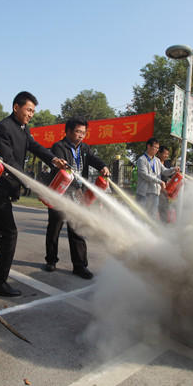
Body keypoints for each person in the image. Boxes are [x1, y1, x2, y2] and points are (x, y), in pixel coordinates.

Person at [0, 92, 67, 297]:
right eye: (28, 110)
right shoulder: (3, 127)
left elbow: (34, 147)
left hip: (8, 188)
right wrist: (29, 180)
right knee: (10, 232)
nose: (31, 115)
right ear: (16, 107)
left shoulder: (24, 129)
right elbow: (8, 160)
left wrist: (53, 160)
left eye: (33, 111)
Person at [44, 117, 110, 279]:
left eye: (84, 132)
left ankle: (80, 265)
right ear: (68, 131)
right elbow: (63, 169)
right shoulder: (59, 147)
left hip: (77, 194)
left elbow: (92, 159)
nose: (81, 135)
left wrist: (102, 166)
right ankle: (51, 260)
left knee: (77, 229)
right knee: (55, 228)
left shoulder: (85, 148)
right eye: (78, 132)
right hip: (60, 193)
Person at [136, 138, 177, 219]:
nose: (157, 150)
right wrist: (160, 182)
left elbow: (165, 171)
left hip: (154, 192)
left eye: (158, 148)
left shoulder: (157, 160)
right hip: (144, 192)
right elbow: (145, 175)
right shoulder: (141, 160)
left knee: (153, 215)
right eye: (155, 147)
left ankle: (150, 231)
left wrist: (173, 169)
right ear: (148, 146)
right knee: (142, 215)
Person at [156, 146, 173, 223]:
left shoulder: (167, 163)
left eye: (167, 154)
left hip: (164, 190)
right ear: (159, 153)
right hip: (155, 188)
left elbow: (170, 174)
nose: (166, 156)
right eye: (164, 154)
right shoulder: (154, 162)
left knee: (164, 207)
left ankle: (164, 224)